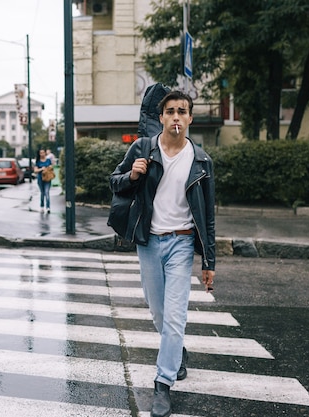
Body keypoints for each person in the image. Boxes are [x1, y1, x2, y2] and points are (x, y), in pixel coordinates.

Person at [109, 90, 216, 417]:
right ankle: (176, 350)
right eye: (170, 111)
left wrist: (209, 262)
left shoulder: (201, 160)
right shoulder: (142, 149)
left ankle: (163, 384)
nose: (176, 117)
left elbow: (208, 214)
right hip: (150, 243)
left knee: (174, 316)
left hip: (182, 244)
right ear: (162, 118)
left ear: (190, 119)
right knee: (159, 314)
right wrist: (134, 175)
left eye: (182, 111)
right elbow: (115, 182)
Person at [34, 148, 53, 213]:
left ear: (45, 153)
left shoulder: (48, 160)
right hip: (40, 179)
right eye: (41, 153)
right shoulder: (38, 161)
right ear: (39, 154)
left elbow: (51, 167)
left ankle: (48, 207)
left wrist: (49, 168)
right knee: (42, 193)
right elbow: (35, 170)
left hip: (47, 178)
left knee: (47, 192)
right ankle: (42, 206)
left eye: (43, 152)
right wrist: (41, 169)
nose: (42, 154)